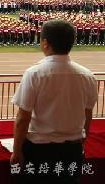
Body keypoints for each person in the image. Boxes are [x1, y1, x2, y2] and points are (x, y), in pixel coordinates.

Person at [10, 20, 98, 184]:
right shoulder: (87, 76)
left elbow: (23, 118)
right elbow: (88, 114)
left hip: (39, 150)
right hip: (72, 149)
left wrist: (16, 151)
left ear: (45, 43)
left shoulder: (34, 73)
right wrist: (81, 141)